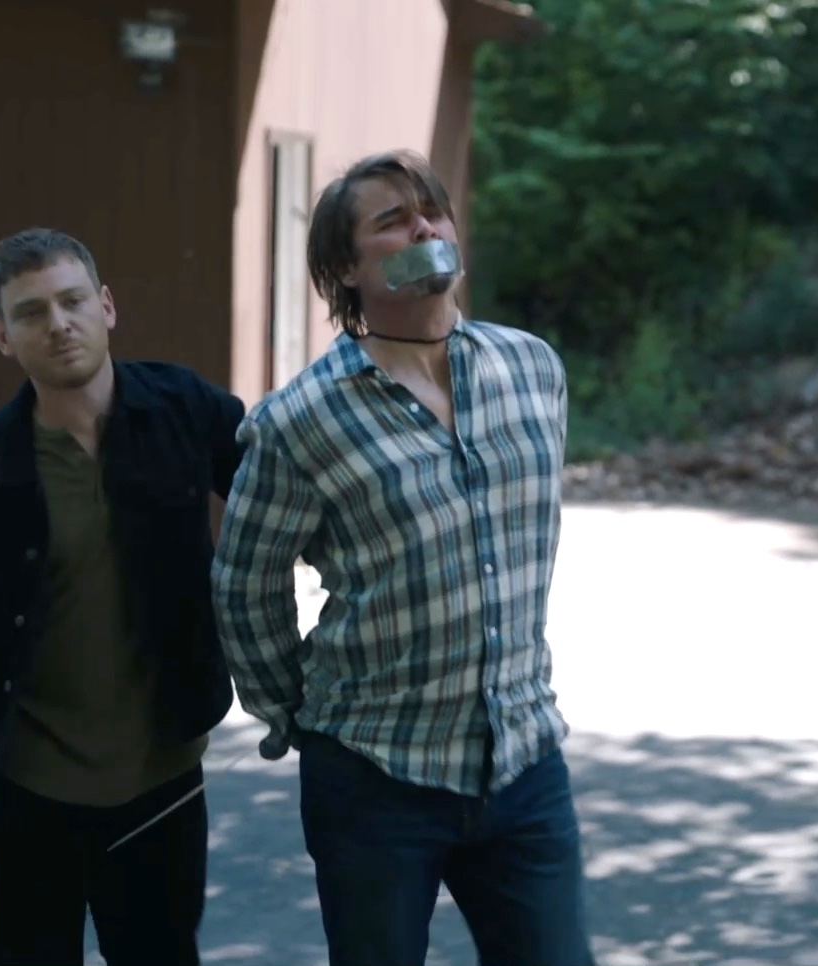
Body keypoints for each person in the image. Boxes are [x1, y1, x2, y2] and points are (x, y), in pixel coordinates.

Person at [212, 149, 595, 966]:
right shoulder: (299, 421)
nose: (424, 228)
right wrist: (290, 713)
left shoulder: (533, 368)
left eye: (432, 212)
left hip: (524, 760)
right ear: (347, 270)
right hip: (374, 779)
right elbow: (244, 583)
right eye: (393, 221)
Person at [0, 227, 246, 966]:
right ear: (3, 336)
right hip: (28, 794)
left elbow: (284, 494)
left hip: (160, 781)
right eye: (32, 312)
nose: (58, 323)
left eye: (73, 301)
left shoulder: (184, 409)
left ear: (107, 306)